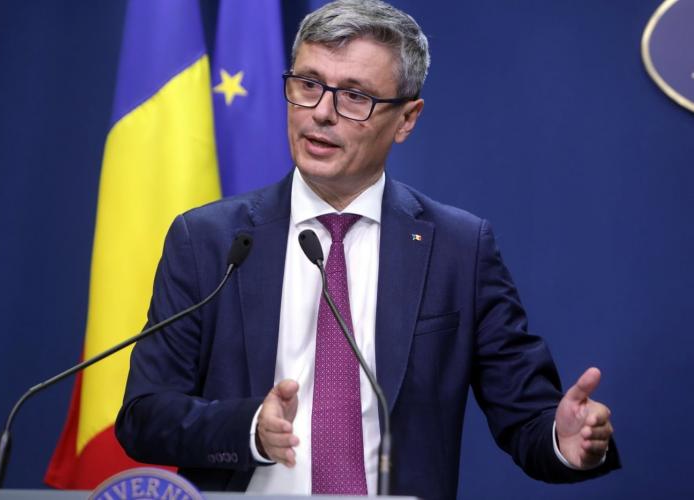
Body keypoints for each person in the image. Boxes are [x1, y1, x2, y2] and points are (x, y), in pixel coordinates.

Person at [115, 1, 620, 498]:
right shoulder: (209, 241)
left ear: (406, 119)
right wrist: (249, 429)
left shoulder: (459, 250)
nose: (322, 113)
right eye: (308, 85)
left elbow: (527, 416)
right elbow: (144, 416)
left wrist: (565, 439)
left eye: (355, 96)